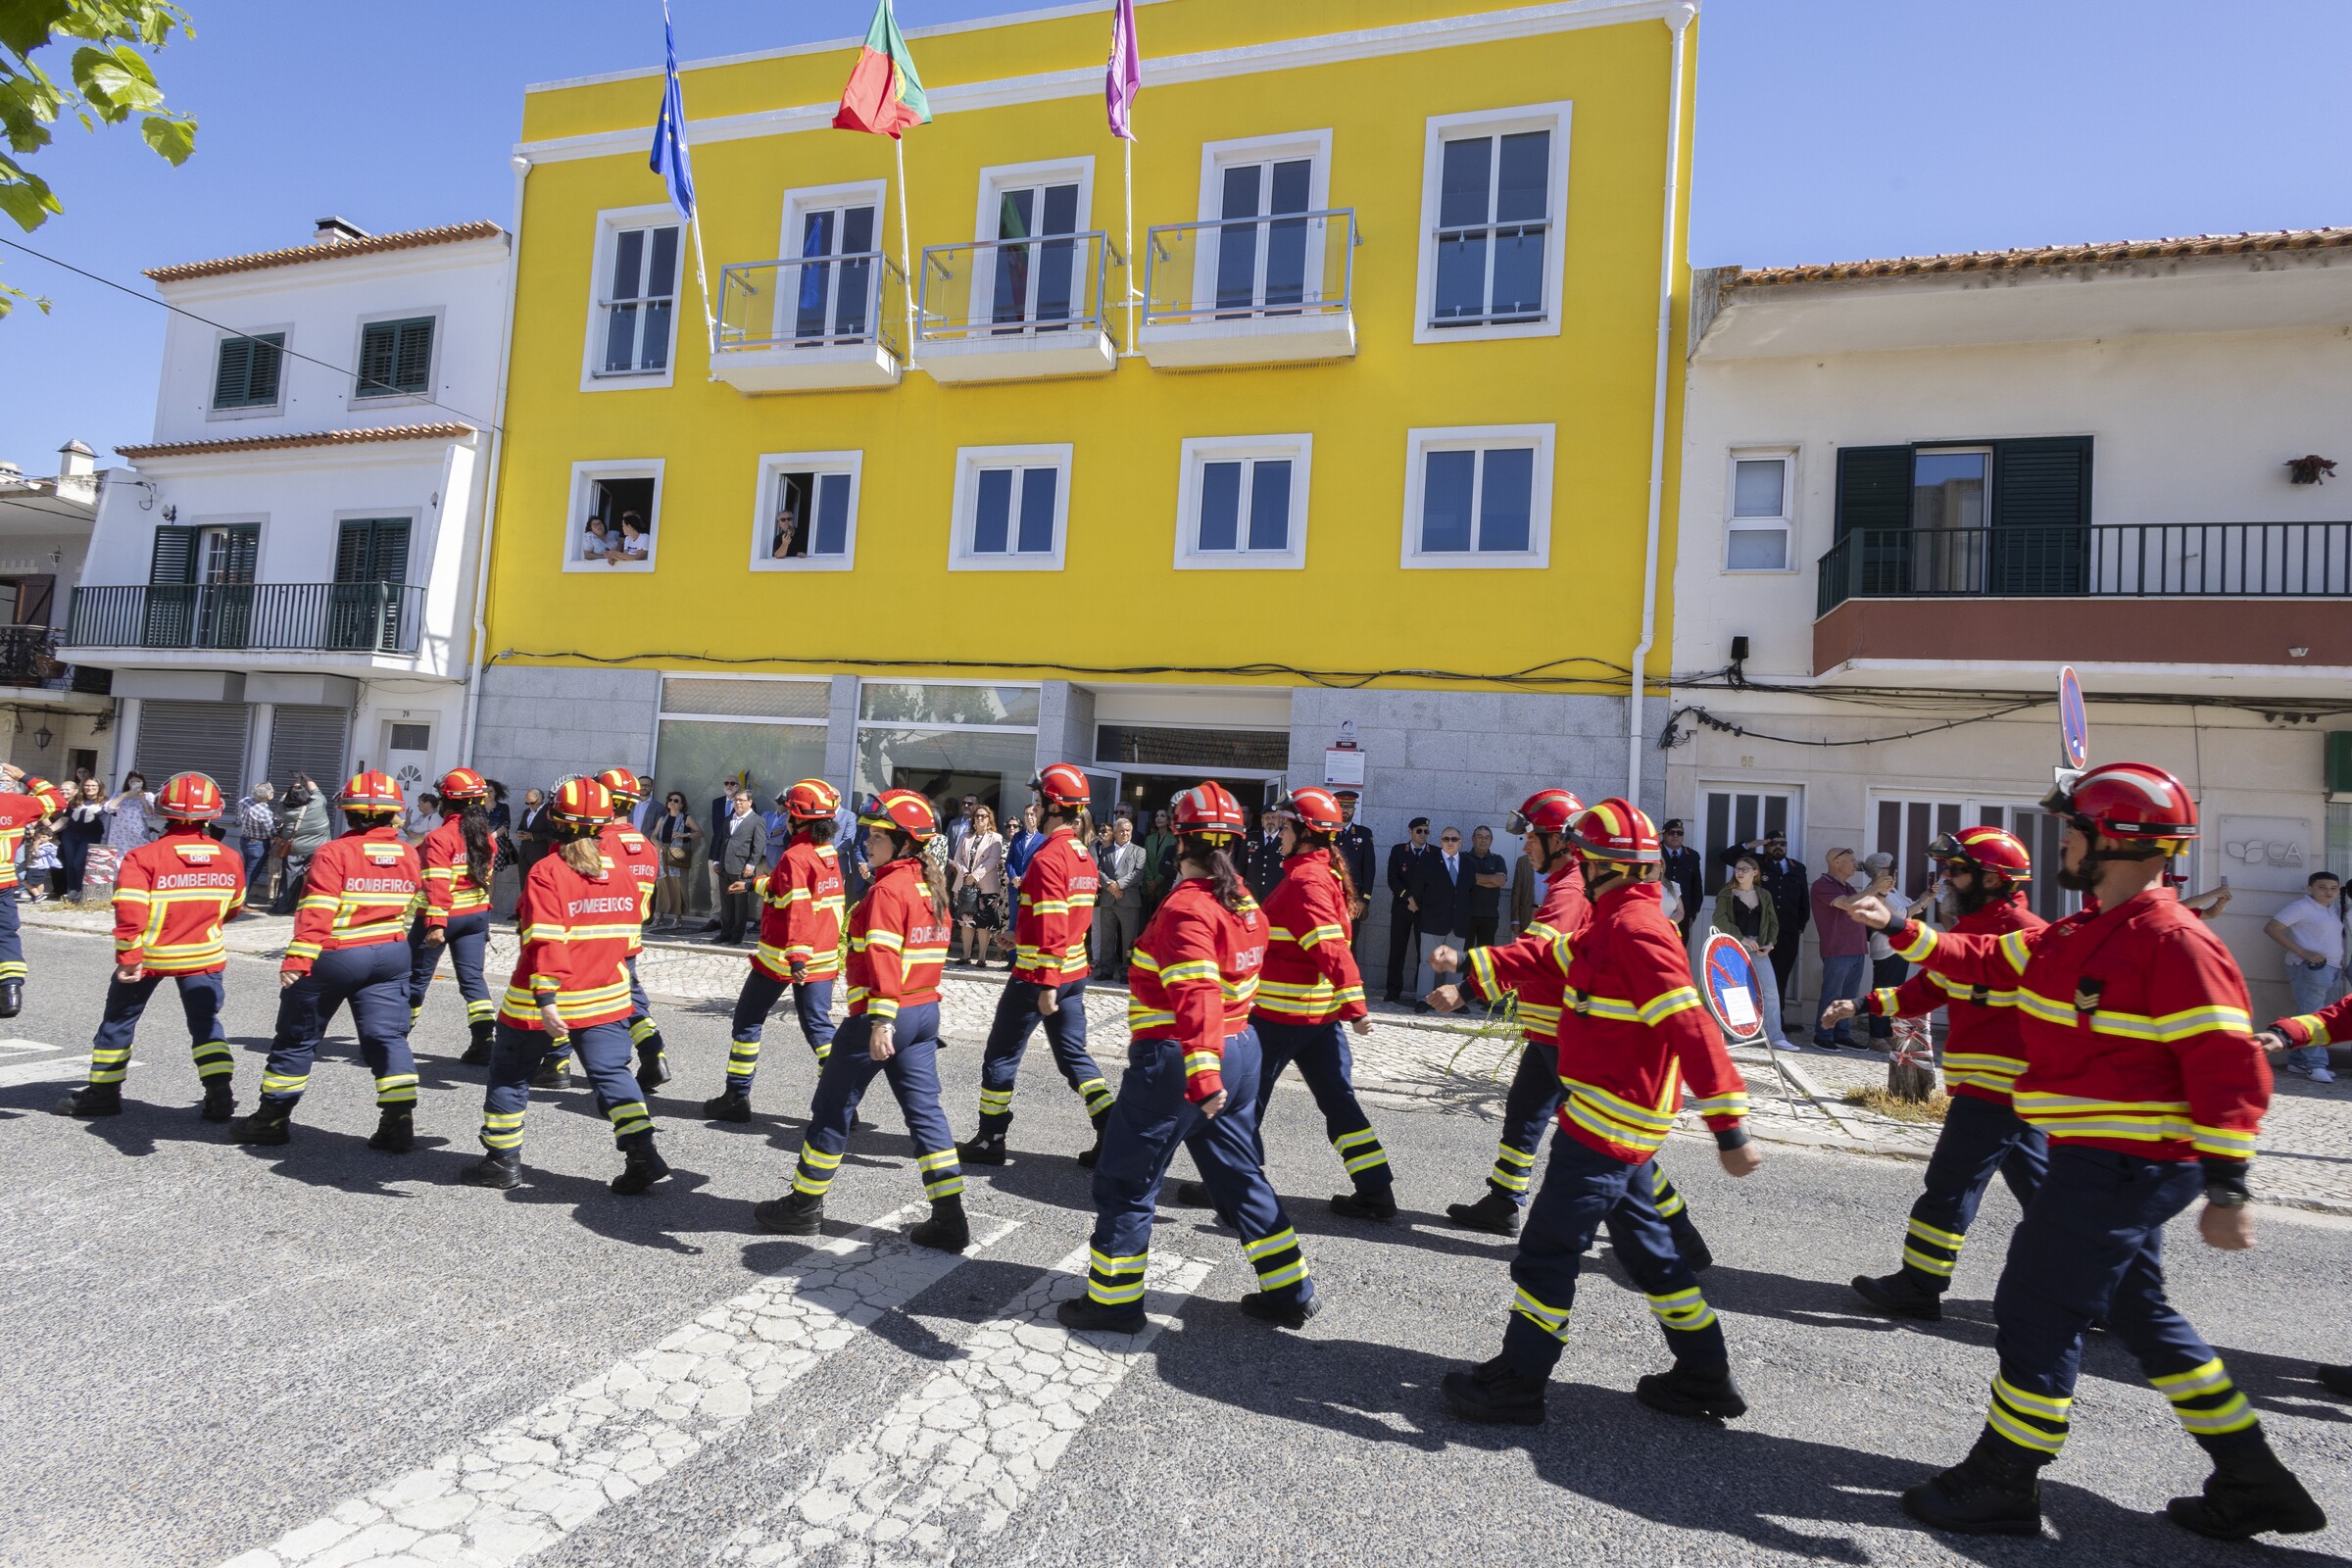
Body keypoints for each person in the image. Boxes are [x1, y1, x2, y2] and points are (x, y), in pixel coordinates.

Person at [1841, 761, 2324, 1542]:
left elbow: (2228, 1067)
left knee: (2035, 1308)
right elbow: (1983, 964)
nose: (2060, 841)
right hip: (2092, 1154)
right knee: (2141, 1314)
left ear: (2115, 842)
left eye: (2073, 829)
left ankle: (2006, 1476)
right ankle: (2254, 1477)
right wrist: (1900, 929)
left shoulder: (2175, 943)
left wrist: (2231, 1187)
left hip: (2127, 1162)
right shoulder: (2081, 931)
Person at [1441, 799, 1755, 1428]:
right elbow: (1549, 960)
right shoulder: (1615, 920)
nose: (1576, 867)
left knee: (1548, 1248)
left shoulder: (1636, 930)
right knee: (1650, 1255)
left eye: (1582, 859)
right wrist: (1472, 970)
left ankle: (1521, 1382)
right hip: (1616, 1115)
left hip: (1609, 1121)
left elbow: (1691, 1025)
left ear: (1600, 865)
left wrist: (1729, 1126)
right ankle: (1705, 1374)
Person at [1055, 780, 1318, 1333]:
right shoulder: (1243, 900)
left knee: (1128, 1181)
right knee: (1240, 1176)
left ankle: (1113, 1302)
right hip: (1240, 1049)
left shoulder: (1186, 909)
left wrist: (1201, 1073)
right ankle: (1290, 1287)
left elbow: (1197, 992)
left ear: (1179, 841)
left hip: (1180, 1060)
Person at [1430, 788, 1713, 1263]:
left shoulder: (1567, 890)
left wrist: (1467, 983)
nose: (1525, 846)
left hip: (1566, 1035)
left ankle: (1681, 1239)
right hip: (1547, 1030)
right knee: (1524, 1112)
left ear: (1559, 841)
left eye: (1532, 838)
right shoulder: (1567, 882)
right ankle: (1503, 1201)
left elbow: (1538, 953)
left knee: (1612, 1147)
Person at [1828, 827, 2047, 1323]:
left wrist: (1895, 925)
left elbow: (1955, 968)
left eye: (1956, 870)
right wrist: (1864, 1003)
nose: (1945, 880)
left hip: (1998, 1091)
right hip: (2007, 1093)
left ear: (1993, 878)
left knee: (1949, 1187)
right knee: (2047, 1196)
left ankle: (1919, 1286)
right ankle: (2105, 1294)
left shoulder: (2022, 932)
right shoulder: (1975, 925)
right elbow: (1932, 987)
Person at [755, 788, 967, 1250]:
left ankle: (803, 1207)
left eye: (877, 835)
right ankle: (950, 1217)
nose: (867, 842)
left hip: (882, 1015)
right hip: (923, 1012)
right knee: (926, 1114)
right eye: (868, 833)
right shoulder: (929, 885)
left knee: (832, 1109)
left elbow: (885, 958)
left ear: (905, 842)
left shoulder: (889, 890)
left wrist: (882, 1021)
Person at [459, 774, 670, 1196]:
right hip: (607, 994)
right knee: (613, 1075)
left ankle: (501, 1161)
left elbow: (544, 938)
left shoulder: (547, 871)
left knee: (510, 1074)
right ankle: (643, 1154)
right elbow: (629, 939)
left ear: (556, 818)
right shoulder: (622, 872)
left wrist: (548, 998)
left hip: (541, 1001)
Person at [232, 771, 423, 1152]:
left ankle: (271, 1120)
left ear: (348, 815)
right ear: (394, 815)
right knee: (387, 1039)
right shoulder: (408, 853)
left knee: (298, 1039)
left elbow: (317, 909)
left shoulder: (334, 852)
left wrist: (297, 959)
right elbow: (417, 900)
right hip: (390, 954)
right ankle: (398, 1123)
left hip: (335, 956)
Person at [1226, 786, 1395, 1218]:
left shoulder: (1306, 880)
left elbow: (1330, 947)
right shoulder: (1318, 872)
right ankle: (1375, 1190)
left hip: (1282, 1016)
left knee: (1244, 1097)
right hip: (1314, 1017)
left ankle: (1232, 1186)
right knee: (1338, 1101)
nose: (1279, 830)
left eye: (1285, 824)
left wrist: (1356, 1006)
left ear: (1304, 831)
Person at [53, 773, 241, 1122]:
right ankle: (220, 1095)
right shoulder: (229, 858)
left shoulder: (144, 857)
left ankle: (103, 1096)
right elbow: (234, 908)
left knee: (119, 1022)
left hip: (148, 956)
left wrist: (128, 957)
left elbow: (130, 913)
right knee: (206, 1024)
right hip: (204, 956)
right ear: (214, 813)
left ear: (162, 810)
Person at [957, 763, 1110, 1168]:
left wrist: (1045, 983)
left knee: (1000, 1055)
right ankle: (1111, 1131)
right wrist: (1019, 937)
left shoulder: (1048, 859)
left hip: (1039, 977)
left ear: (1054, 808)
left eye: (1038, 801)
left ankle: (991, 1139)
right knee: (1074, 1057)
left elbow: (1056, 925)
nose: (1034, 807)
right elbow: (1063, 923)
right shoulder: (1082, 857)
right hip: (1073, 974)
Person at [708, 779, 846, 1121]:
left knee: (747, 1020)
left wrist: (796, 956)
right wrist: (756, 884)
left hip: (783, 957)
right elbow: (795, 890)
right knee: (818, 1027)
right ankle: (841, 1103)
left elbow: (797, 905)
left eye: (788, 812)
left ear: (798, 818)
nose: (783, 817)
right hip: (822, 954)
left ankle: (736, 1097)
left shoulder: (795, 856)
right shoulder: (826, 852)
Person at [409, 768, 500, 1067]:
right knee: (472, 979)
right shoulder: (485, 838)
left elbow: (436, 881)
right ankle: (484, 1041)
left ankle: (395, 1037)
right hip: (475, 917)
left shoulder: (440, 837)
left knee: (416, 977)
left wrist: (436, 922)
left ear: (446, 801)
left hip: (442, 917)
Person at [589, 768, 667, 1094]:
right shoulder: (646, 845)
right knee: (632, 997)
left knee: (569, 994)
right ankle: (652, 1055)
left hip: (596, 937)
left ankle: (557, 1062)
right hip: (630, 935)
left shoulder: (599, 842)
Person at [2264, 870, 2344, 1080]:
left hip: (2332, 968)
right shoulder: (2301, 907)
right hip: (2310, 968)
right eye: (2322, 887)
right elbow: (2272, 928)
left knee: (2320, 1016)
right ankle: (2315, 1064)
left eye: (2333, 889)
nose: (2328, 892)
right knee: (2313, 1016)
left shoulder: (2333, 909)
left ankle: (2298, 1062)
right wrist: (2303, 952)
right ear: (2310, 888)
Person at [1722, 830, 1807, 1023]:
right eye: (1774, 843)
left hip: (1787, 931)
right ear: (1766, 845)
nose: (1779, 846)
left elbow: (1804, 900)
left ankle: (1777, 1021)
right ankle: (1750, 1021)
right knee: (1751, 976)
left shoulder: (1797, 868)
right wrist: (1750, 845)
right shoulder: (1756, 863)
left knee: (1781, 976)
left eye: (1782, 843)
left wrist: (1801, 924)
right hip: (1759, 930)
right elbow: (1726, 857)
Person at [1711, 856, 1791, 1051]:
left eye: (1745, 869)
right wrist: (1741, 938)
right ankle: (1740, 1033)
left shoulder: (1764, 895)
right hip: (1734, 947)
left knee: (1770, 991)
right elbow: (1720, 920)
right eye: (1738, 869)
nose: (1740, 872)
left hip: (1759, 947)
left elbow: (1773, 922)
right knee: (1737, 991)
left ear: (1755, 873)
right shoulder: (1726, 894)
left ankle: (1775, 1036)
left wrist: (1771, 943)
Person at [0, 764, 57, 1014]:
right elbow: (56, 799)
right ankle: (11, 993)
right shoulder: (17, 804)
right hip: (3, 884)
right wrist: (25, 777)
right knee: (5, 936)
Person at [1809, 848, 1869, 1049]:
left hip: (1857, 949)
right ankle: (1823, 1036)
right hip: (1838, 950)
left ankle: (1842, 1034)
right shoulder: (1822, 885)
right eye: (1851, 860)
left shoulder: (1849, 887)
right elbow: (1846, 905)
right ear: (1836, 862)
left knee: (1848, 998)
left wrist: (1882, 889)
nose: (1855, 864)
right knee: (1832, 995)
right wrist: (1874, 886)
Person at [1383, 817, 1436, 1004]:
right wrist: (1408, 898)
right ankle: (1393, 990)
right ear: (1410, 832)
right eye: (1419, 831)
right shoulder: (1398, 851)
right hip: (1401, 908)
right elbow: (1392, 879)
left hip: (1424, 911)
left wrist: (1419, 901)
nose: (1423, 835)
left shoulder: (1434, 853)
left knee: (1424, 953)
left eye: (1426, 831)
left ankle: (1421, 991)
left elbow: (1436, 883)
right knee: (1397, 950)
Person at [1093, 813, 1146, 982]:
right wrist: (1111, 885)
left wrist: (1119, 885)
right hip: (1109, 900)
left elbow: (1138, 873)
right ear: (1114, 832)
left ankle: (1126, 970)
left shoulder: (1139, 851)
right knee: (1107, 937)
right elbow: (1099, 871)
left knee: (1129, 939)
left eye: (1128, 831)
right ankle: (1106, 969)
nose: (1125, 834)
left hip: (1129, 901)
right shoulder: (1106, 851)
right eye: (1121, 831)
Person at [951, 803, 1005, 967]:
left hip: (985, 886)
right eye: (977, 816)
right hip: (965, 884)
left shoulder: (996, 838)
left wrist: (975, 875)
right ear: (973, 820)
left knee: (983, 923)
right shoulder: (966, 836)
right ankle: (966, 955)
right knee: (966, 921)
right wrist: (965, 873)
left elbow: (993, 859)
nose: (980, 818)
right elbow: (957, 857)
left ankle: (981, 957)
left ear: (989, 819)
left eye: (983, 816)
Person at [270, 773, 332, 916]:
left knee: (289, 879)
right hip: (318, 849)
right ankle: (312, 908)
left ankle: (284, 907)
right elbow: (314, 789)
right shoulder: (318, 803)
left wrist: (295, 784)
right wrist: (306, 777)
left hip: (294, 850)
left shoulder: (284, 809)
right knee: (316, 878)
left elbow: (284, 797)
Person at [716, 787, 767, 947]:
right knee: (726, 902)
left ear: (749, 802)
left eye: (741, 800)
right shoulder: (728, 819)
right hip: (725, 866)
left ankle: (737, 935)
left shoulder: (757, 820)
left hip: (742, 868)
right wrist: (717, 861)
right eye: (736, 800)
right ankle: (725, 932)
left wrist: (751, 864)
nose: (737, 803)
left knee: (740, 904)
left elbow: (758, 846)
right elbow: (720, 841)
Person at [1332, 790, 1376, 959]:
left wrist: (1364, 900)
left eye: (1349, 807)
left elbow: (1369, 869)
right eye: (1342, 806)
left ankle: (1349, 983)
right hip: (1330, 898)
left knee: (1350, 943)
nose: (1345, 810)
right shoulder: (1327, 833)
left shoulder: (1364, 834)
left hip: (1353, 900)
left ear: (1354, 810)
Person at [648, 791, 698, 932]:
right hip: (663, 853)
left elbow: (699, 833)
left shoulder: (686, 819)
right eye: (670, 800)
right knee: (662, 884)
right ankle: (659, 915)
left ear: (681, 805)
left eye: (676, 800)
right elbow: (653, 836)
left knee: (678, 885)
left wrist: (684, 834)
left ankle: (677, 917)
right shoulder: (662, 818)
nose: (672, 802)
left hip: (678, 853)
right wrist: (657, 844)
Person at [59, 776, 105, 901]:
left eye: (93, 786)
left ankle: (81, 889)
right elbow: (65, 819)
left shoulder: (105, 801)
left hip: (90, 835)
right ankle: (72, 890)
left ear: (99, 788)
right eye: (87, 785)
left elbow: (115, 812)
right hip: (71, 835)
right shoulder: (76, 800)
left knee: (78, 863)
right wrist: (50, 830)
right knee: (70, 864)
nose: (90, 788)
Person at [1463, 825, 1508, 947]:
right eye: (1480, 837)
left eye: (1487, 838)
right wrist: (1491, 879)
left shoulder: (1498, 859)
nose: (1483, 840)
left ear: (1491, 841)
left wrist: (1474, 878)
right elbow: (1463, 879)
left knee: (1485, 957)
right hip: (1466, 915)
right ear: (1473, 839)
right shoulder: (1463, 858)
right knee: (1464, 955)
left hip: (1490, 916)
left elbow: (1500, 881)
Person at [1660, 818, 1703, 945]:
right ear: (1664, 834)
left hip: (1682, 917)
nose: (1675, 836)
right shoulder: (1655, 852)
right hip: (1660, 913)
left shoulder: (1692, 856)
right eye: (1671, 832)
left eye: (1679, 833)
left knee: (1679, 952)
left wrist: (1692, 915)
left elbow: (1697, 889)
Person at [234, 781, 275, 899]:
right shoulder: (264, 812)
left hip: (245, 839)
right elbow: (270, 831)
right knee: (251, 873)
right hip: (258, 843)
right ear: (268, 796)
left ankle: (238, 897)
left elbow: (237, 815)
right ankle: (241, 901)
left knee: (245, 870)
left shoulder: (244, 801)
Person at [1140, 806, 1176, 918]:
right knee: (1145, 920)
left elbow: (1171, 864)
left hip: (1163, 885)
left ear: (1168, 820)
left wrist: (1157, 882)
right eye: (1157, 816)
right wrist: (1150, 881)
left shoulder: (1174, 839)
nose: (1159, 818)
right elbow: (1144, 861)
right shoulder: (1149, 839)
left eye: (1162, 816)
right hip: (1148, 886)